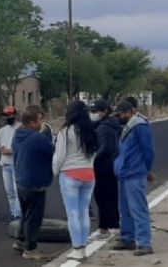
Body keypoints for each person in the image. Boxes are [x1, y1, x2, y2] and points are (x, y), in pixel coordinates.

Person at [53, 100, 98, 261]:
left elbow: (59, 156)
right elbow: (93, 154)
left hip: (70, 174)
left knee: (72, 213)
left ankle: (77, 248)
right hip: (89, 174)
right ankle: (84, 246)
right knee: (84, 211)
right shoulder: (91, 130)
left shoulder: (66, 131)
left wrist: (55, 172)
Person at [112, 101, 156, 256]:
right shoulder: (129, 126)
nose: (120, 117)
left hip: (135, 173)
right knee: (125, 209)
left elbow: (149, 151)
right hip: (125, 173)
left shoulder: (140, 127)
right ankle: (127, 238)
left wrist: (146, 170)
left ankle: (144, 243)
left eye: (122, 114)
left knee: (138, 208)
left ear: (130, 112)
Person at [12, 104, 55, 261]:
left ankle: (20, 240)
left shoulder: (17, 135)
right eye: (40, 119)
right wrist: (47, 133)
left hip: (20, 180)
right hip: (35, 182)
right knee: (34, 218)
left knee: (25, 214)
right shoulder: (38, 138)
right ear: (36, 119)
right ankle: (31, 249)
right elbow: (52, 150)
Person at [91, 99, 122, 239]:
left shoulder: (105, 128)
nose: (94, 114)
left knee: (104, 197)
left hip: (104, 167)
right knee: (108, 196)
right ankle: (109, 226)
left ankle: (109, 227)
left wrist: (92, 161)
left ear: (104, 111)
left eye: (96, 111)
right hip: (111, 166)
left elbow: (105, 149)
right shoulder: (109, 125)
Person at [0, 105, 21, 220]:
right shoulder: (2, 131)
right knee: (9, 191)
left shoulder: (21, 129)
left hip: (17, 164)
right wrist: (0, 149)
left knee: (17, 191)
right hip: (5, 164)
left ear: (15, 115)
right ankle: (13, 212)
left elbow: (24, 146)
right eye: (6, 115)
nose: (8, 117)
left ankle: (18, 214)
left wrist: (13, 151)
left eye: (10, 115)